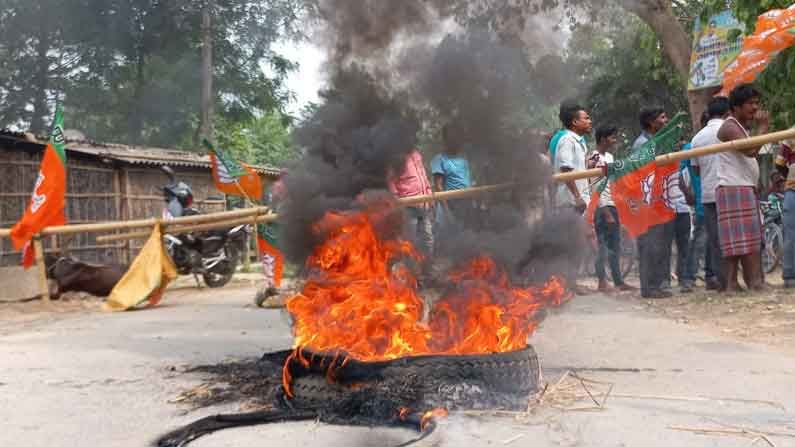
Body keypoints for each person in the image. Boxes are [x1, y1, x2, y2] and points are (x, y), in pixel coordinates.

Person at [715, 84, 769, 292]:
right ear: (736, 107)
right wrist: (763, 128)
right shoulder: (730, 126)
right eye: (750, 103)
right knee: (738, 240)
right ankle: (748, 283)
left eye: (757, 103)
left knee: (742, 239)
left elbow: (750, 151)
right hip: (733, 188)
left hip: (740, 187)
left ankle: (743, 283)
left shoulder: (740, 127)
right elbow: (749, 151)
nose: (755, 108)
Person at [587, 125, 635, 292]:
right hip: (602, 207)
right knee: (603, 245)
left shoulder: (609, 156)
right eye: (612, 137)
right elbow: (595, 186)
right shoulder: (594, 158)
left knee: (615, 244)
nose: (615, 140)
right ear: (602, 139)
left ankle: (618, 281)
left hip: (612, 204)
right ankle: (602, 281)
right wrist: (605, 211)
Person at [632, 107, 672, 299]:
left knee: (657, 244)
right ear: (651, 122)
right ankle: (649, 287)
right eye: (662, 117)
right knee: (649, 245)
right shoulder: (642, 144)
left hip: (655, 200)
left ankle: (655, 285)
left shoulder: (655, 142)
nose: (666, 120)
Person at [692, 97, 731, 291]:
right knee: (731, 237)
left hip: (708, 193)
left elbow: (696, 170)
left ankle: (721, 280)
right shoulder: (731, 130)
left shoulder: (697, 138)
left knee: (715, 240)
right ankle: (731, 280)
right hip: (730, 190)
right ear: (728, 113)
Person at [388, 149, 434, 282]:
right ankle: (414, 277)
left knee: (428, 240)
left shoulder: (416, 154)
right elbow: (391, 180)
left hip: (423, 205)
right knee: (410, 243)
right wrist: (396, 199)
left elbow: (423, 176)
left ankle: (428, 273)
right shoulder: (397, 156)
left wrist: (429, 195)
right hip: (407, 207)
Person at [553, 103, 592, 214]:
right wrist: (577, 197)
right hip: (571, 203)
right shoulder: (567, 140)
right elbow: (566, 170)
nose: (590, 121)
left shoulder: (579, 142)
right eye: (586, 118)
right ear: (575, 122)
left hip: (580, 203)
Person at [431, 124, 473, 228]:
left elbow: (467, 184)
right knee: (449, 241)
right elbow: (438, 188)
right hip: (449, 209)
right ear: (445, 140)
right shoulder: (439, 159)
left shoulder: (463, 159)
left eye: (457, 138)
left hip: (465, 207)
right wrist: (447, 214)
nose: (456, 141)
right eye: (452, 138)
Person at [774, 129, 795, 288]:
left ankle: (789, 276)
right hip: (793, 190)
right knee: (791, 234)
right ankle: (789, 275)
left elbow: (780, 164)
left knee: (791, 234)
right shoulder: (791, 134)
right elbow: (779, 164)